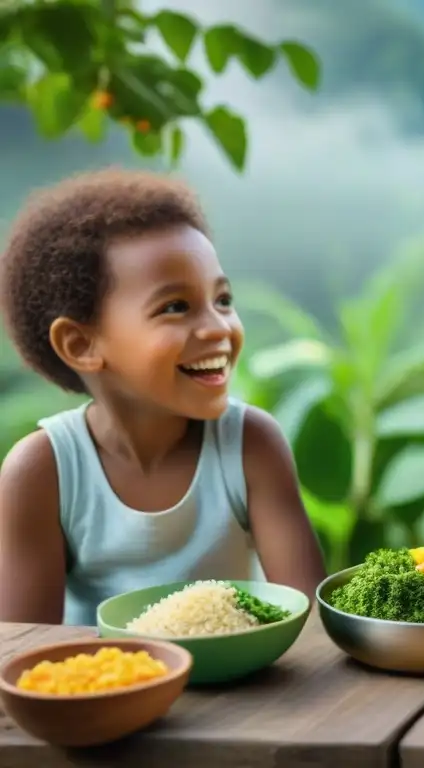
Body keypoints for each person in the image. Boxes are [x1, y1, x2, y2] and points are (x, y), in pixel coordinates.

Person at [0, 169, 326, 626]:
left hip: (246, 692)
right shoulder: (45, 471)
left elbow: (309, 624)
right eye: (175, 307)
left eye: (223, 299)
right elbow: (22, 649)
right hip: (108, 690)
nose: (218, 328)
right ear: (81, 345)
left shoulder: (249, 442)